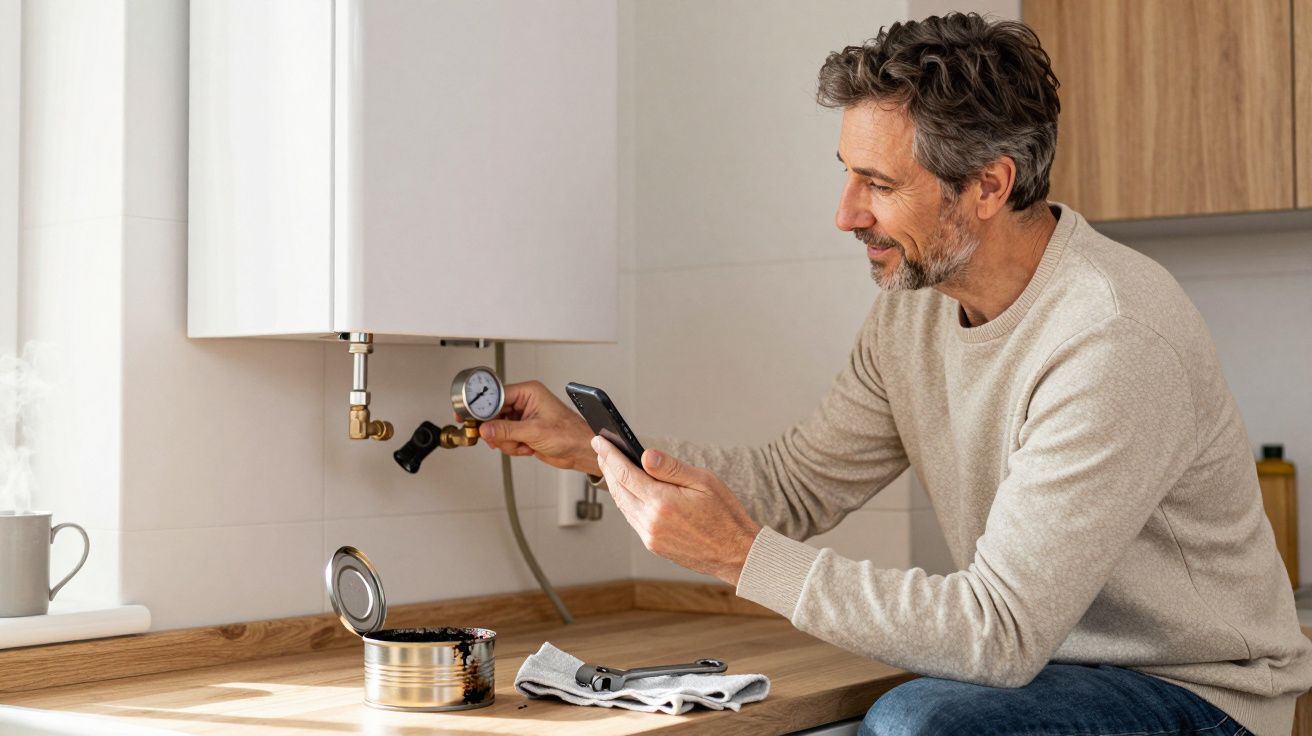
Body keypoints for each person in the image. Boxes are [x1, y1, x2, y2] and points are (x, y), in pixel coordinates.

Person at [477, 13, 1312, 736]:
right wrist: (594, 449)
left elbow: (996, 631)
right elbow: (796, 485)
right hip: (1052, 670)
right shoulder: (913, 308)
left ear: (988, 186)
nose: (845, 213)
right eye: (847, 172)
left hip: (1201, 696)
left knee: (917, 722)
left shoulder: (1110, 336)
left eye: (877, 184)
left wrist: (741, 559)